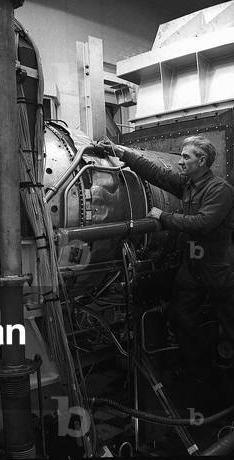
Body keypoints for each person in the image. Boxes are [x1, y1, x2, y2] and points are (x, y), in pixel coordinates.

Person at [100, 136, 234, 377]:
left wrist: (163, 217)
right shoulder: (188, 185)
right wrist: (122, 152)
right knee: (182, 316)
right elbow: (156, 173)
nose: (180, 162)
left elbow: (203, 224)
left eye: (186, 157)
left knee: (229, 318)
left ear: (202, 160)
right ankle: (198, 369)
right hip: (192, 267)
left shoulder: (220, 190)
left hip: (217, 268)